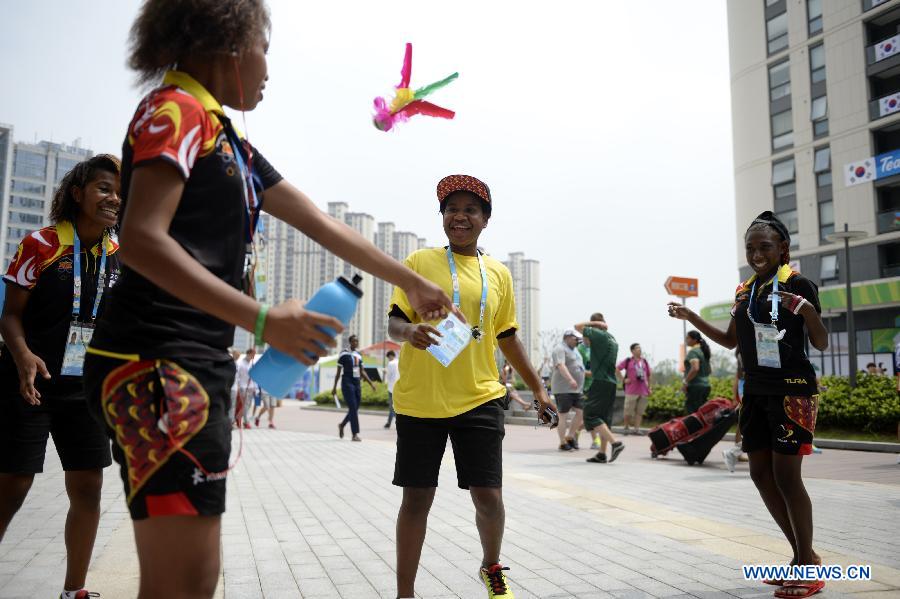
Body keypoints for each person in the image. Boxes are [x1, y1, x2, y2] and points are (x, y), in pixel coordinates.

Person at [80, 3, 454, 596]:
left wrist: (407, 280)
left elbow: (320, 223)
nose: (268, 67)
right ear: (228, 41)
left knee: (193, 581)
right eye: (264, 46)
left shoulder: (224, 135)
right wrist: (260, 318)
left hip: (191, 366)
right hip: (155, 364)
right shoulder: (174, 111)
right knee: (180, 582)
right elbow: (142, 240)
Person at [387, 174, 556, 599]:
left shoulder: (498, 273)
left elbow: (507, 335)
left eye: (469, 210)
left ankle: (491, 567)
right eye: (451, 209)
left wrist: (538, 389)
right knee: (417, 498)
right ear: (442, 217)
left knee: (488, 496)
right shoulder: (419, 262)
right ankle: (404, 592)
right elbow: (393, 321)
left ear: (485, 220)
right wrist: (410, 334)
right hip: (419, 401)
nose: (459, 216)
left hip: (480, 395)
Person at [668, 211, 828, 599]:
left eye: (765, 246)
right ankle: (803, 556)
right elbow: (729, 341)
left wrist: (805, 310)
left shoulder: (799, 284)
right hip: (755, 392)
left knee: (788, 478)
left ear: (783, 249)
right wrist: (691, 316)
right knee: (759, 474)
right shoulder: (745, 291)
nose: (757, 253)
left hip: (792, 390)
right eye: (751, 248)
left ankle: (807, 566)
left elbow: (820, 342)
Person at [0, 154, 121, 599]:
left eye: (119, 192)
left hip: (83, 390)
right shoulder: (41, 244)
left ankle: (75, 591)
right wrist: (23, 356)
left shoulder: (117, 254)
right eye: (105, 188)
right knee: (14, 484)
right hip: (28, 381)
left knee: (89, 485)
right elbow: (10, 315)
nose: (115, 198)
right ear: (77, 193)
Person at [575, 314, 625, 464]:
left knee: (590, 414)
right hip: (610, 382)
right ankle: (602, 453)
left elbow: (577, 326)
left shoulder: (598, 334)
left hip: (600, 382)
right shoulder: (612, 338)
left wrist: (593, 324)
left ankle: (615, 443)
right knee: (604, 417)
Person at [333, 334, 375, 442]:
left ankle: (342, 425)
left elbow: (362, 371)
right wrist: (334, 387)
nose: (356, 343)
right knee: (352, 407)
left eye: (357, 341)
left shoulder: (359, 355)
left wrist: (371, 384)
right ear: (350, 342)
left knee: (355, 408)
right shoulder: (343, 354)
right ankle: (355, 434)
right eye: (354, 341)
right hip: (347, 382)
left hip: (357, 383)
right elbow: (338, 372)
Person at [550, 329, 586, 450]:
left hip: (576, 389)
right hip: (563, 388)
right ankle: (562, 442)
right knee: (563, 414)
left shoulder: (575, 350)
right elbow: (560, 365)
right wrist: (570, 379)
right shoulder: (560, 348)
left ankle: (570, 436)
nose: (578, 341)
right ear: (568, 337)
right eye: (576, 339)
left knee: (581, 412)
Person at [616, 343, 651, 435]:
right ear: (632, 351)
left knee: (640, 411)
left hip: (643, 390)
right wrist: (623, 380)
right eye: (637, 348)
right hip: (631, 390)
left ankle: (636, 429)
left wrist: (649, 387)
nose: (639, 350)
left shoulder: (644, 361)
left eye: (640, 348)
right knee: (628, 411)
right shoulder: (628, 361)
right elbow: (617, 369)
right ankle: (626, 428)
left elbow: (648, 375)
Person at [723, 348, 748, 472]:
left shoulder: (742, 347)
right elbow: (739, 375)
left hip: (749, 385)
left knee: (747, 422)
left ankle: (735, 452)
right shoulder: (745, 347)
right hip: (750, 385)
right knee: (750, 423)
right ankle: (734, 452)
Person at [577, 334, 598, 448]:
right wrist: (587, 373)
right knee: (589, 415)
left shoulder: (594, 348)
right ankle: (595, 440)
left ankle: (574, 435)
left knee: (591, 415)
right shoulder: (579, 349)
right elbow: (576, 368)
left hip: (594, 385)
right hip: (583, 387)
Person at [683, 330, 712, 414]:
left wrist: (685, 381)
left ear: (694, 340)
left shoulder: (693, 352)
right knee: (702, 413)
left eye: (687, 338)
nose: (686, 340)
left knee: (693, 413)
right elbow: (709, 370)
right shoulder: (704, 351)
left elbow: (695, 368)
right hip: (706, 386)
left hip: (695, 387)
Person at [235, 347, 259, 429]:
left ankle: (240, 419)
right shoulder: (240, 363)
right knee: (244, 405)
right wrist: (239, 386)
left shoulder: (252, 363)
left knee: (248, 405)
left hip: (251, 387)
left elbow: (254, 377)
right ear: (248, 354)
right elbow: (237, 376)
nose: (253, 357)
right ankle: (245, 421)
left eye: (254, 355)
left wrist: (256, 388)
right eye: (252, 355)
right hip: (243, 387)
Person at [384, 350, 400, 428]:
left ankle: (392, 423)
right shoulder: (399, 362)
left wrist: (385, 372)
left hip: (391, 388)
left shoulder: (391, 363)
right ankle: (389, 423)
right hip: (399, 388)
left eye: (388, 357)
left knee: (392, 407)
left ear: (390, 356)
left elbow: (389, 376)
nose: (388, 359)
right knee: (397, 407)